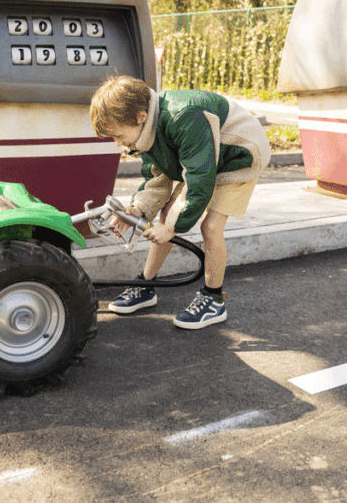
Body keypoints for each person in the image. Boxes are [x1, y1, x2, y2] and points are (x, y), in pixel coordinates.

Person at [89, 75, 271, 329]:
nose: (118, 143)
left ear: (141, 116)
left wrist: (173, 227)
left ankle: (214, 299)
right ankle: (146, 285)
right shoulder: (147, 127)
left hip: (238, 155)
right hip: (206, 158)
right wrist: (139, 208)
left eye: (118, 135)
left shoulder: (183, 118)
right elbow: (158, 177)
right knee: (165, 216)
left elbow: (199, 178)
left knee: (211, 227)